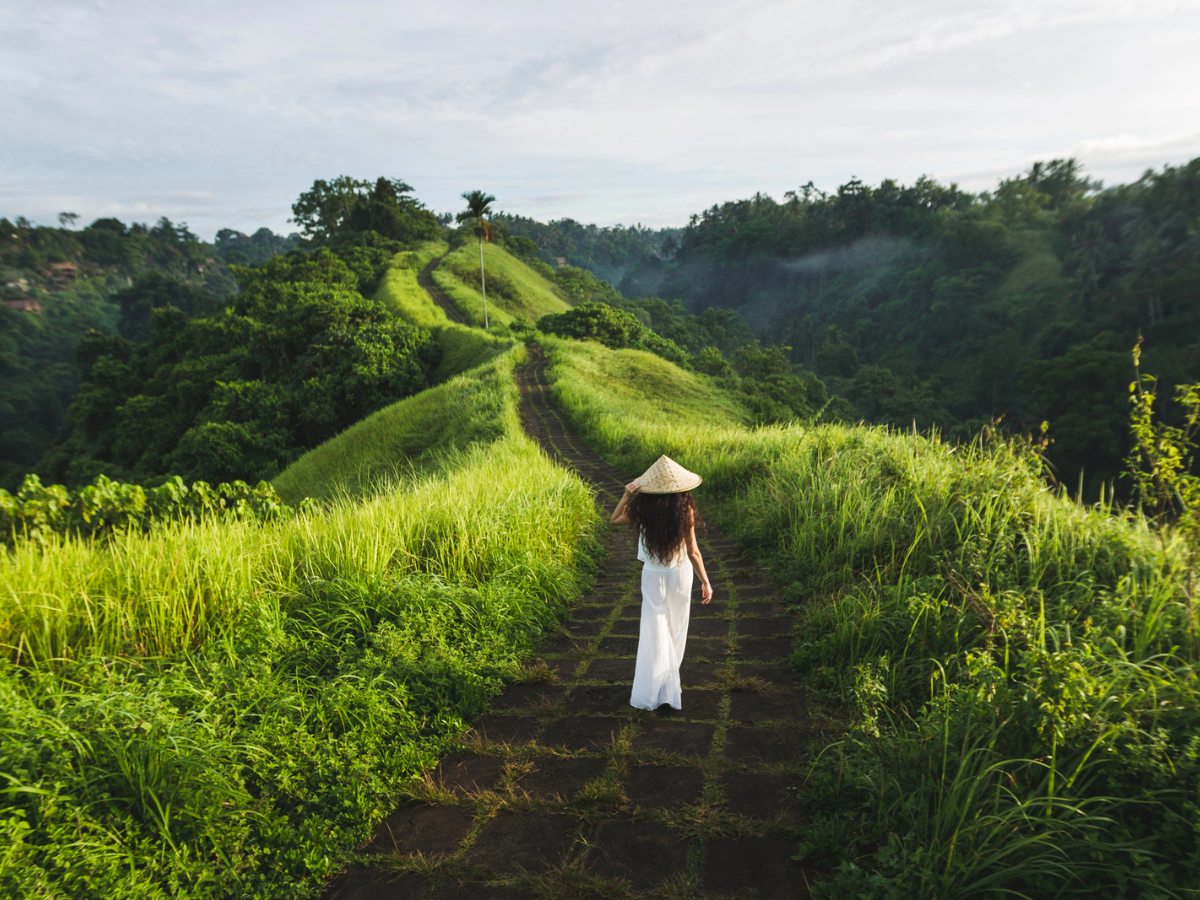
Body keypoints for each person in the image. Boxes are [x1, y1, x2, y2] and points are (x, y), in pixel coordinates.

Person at [610, 454, 713, 711]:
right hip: (680, 575)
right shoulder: (685, 510)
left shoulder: (641, 509)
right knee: (676, 627)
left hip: (654, 575)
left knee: (655, 629)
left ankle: (655, 688)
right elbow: (693, 551)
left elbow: (614, 520)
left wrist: (626, 496)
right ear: (681, 489)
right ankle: (669, 686)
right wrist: (706, 582)